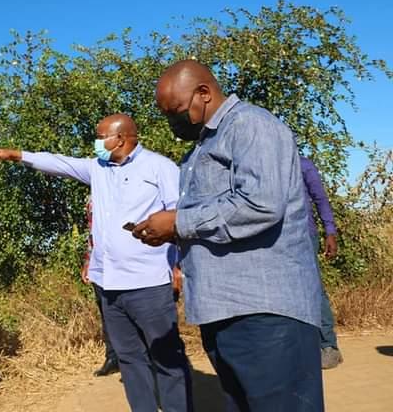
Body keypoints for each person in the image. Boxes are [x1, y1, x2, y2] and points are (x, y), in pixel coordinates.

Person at [135, 59, 324, 411]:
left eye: (177, 111)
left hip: (265, 314)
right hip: (224, 311)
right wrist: (171, 233)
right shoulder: (201, 149)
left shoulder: (250, 125)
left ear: (204, 93)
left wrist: (178, 223)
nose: (173, 122)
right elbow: (214, 219)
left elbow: (261, 204)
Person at [0, 113, 193, 412]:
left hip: (149, 282)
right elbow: (59, 163)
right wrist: (15, 155)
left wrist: (178, 266)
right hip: (108, 283)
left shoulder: (160, 167)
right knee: (130, 357)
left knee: (167, 357)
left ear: (120, 138)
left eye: (100, 135)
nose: (95, 142)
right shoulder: (98, 168)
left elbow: (180, 219)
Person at [300, 155, 344, 369]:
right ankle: (303, 346)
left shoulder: (303, 164)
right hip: (276, 240)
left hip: (304, 236)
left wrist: (330, 232)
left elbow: (321, 199)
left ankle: (329, 346)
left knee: (313, 289)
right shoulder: (265, 164)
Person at [81, 198, 119, 377]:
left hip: (122, 263)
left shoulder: (122, 188)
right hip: (100, 265)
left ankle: (143, 357)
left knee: (130, 309)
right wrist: (88, 262)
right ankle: (113, 358)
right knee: (106, 311)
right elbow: (92, 234)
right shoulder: (92, 199)